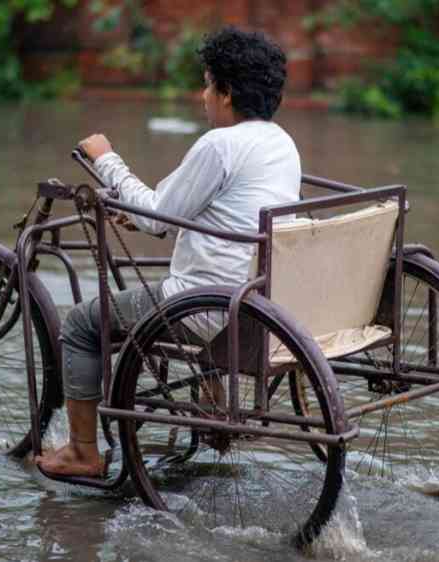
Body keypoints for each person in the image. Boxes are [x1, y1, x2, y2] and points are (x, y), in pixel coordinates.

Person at [36, 26, 301, 477]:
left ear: (226, 92)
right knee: (188, 276)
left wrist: (106, 160)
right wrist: (136, 212)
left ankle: (82, 452)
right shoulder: (280, 142)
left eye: (206, 83)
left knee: (81, 324)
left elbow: (159, 218)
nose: (203, 94)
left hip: (207, 306)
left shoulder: (220, 145)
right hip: (259, 296)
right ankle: (211, 398)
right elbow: (211, 212)